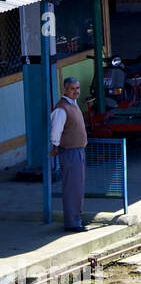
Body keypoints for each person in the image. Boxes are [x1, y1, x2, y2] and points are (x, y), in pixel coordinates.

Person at [49, 77, 87, 233]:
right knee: (72, 187)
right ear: (65, 89)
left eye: (77, 88)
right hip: (70, 152)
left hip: (78, 150)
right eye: (72, 88)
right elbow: (55, 132)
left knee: (77, 187)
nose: (76, 91)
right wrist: (56, 146)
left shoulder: (73, 105)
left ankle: (76, 218)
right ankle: (72, 222)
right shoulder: (61, 109)